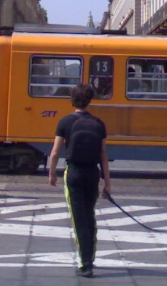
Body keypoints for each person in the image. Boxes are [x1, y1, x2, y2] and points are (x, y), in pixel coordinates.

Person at [48, 83, 112, 278]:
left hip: (74, 173)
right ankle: (90, 257)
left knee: (79, 220)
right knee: (89, 215)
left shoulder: (65, 122)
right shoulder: (99, 123)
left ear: (72, 100)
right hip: (92, 174)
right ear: (90, 100)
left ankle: (85, 264)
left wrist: (52, 173)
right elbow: (103, 155)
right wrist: (107, 184)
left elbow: (55, 152)